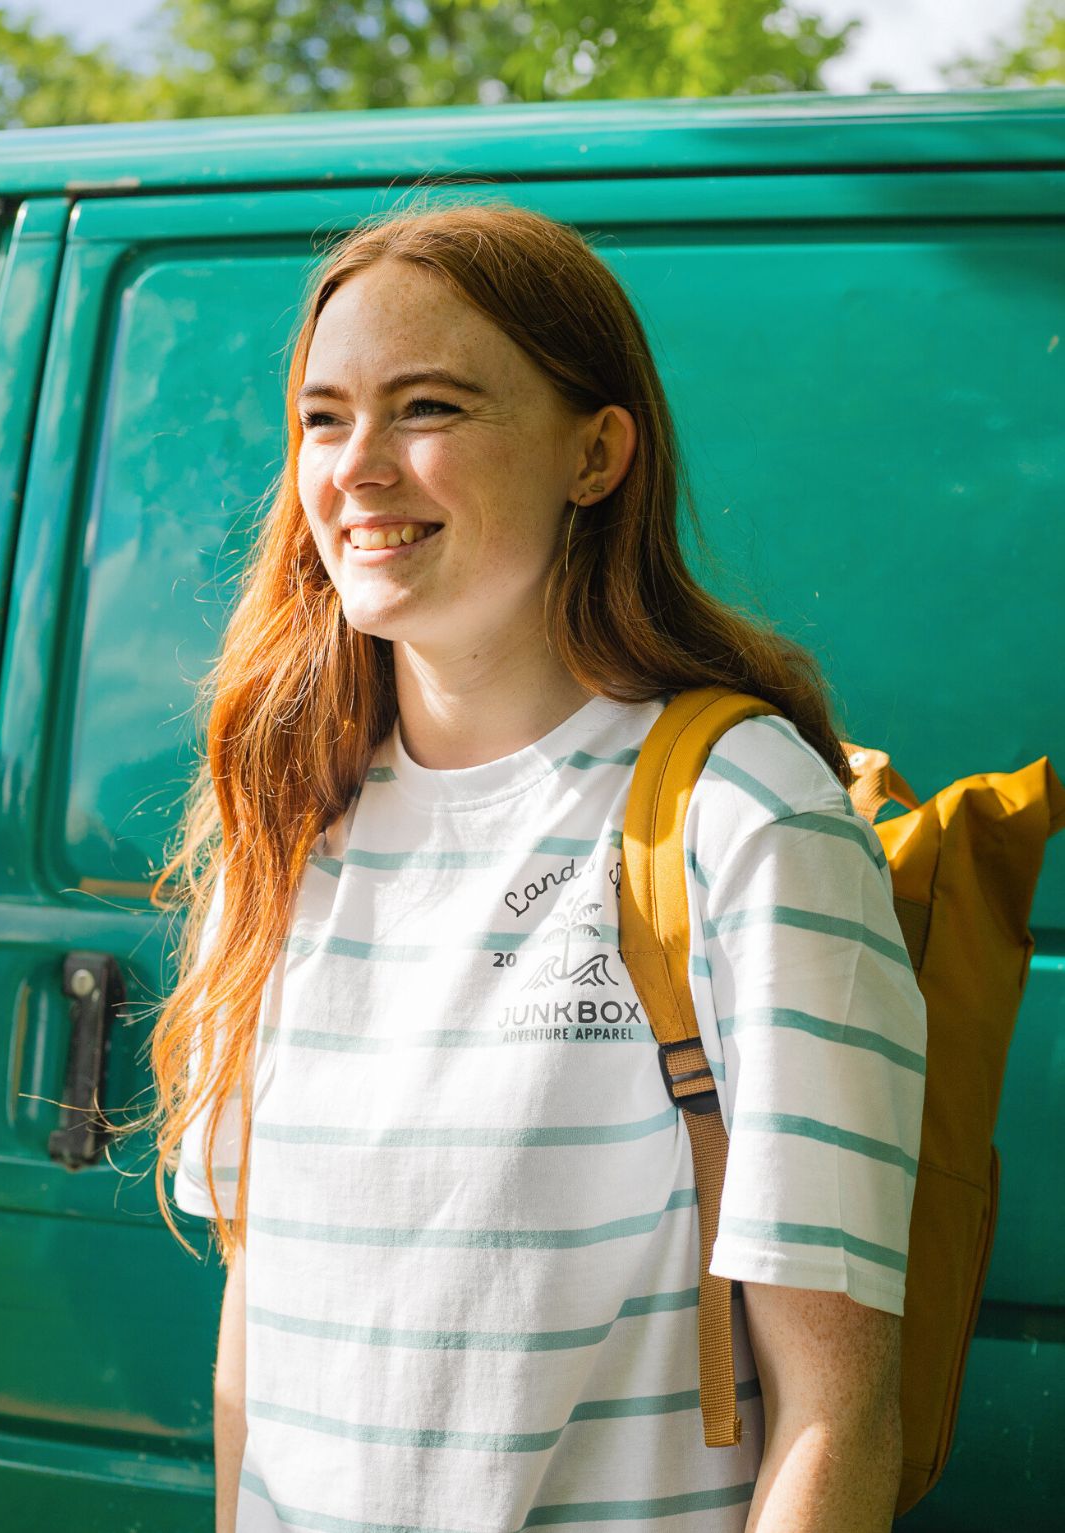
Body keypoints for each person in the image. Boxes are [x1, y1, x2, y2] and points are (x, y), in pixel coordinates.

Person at [149, 197, 927, 1533]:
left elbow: (837, 1418)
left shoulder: (743, 819)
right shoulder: (281, 828)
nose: (359, 467)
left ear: (597, 451)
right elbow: (256, 1342)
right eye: (324, 417)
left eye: (429, 408)